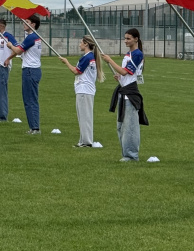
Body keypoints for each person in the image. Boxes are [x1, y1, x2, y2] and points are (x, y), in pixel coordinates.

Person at [102, 28, 147, 162]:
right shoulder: (128, 54)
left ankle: (132, 156)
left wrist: (109, 60)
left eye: (128, 38)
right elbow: (125, 74)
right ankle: (126, 153)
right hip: (123, 92)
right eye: (125, 38)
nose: (125, 41)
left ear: (136, 39)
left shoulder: (138, 54)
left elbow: (124, 71)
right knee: (121, 126)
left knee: (130, 127)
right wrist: (120, 78)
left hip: (131, 95)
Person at [58, 36, 98, 148]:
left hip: (84, 90)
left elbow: (76, 71)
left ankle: (86, 142)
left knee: (84, 117)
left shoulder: (87, 57)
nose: (79, 44)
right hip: (85, 90)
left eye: (81, 42)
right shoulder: (89, 56)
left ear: (86, 44)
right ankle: (83, 140)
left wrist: (66, 62)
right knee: (83, 116)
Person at [7, 15, 43, 134]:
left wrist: (10, 45)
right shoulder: (34, 37)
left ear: (33, 24)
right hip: (33, 69)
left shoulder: (32, 37)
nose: (24, 23)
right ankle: (33, 127)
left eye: (26, 22)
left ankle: (35, 127)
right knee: (30, 99)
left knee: (30, 99)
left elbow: (18, 50)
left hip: (30, 70)